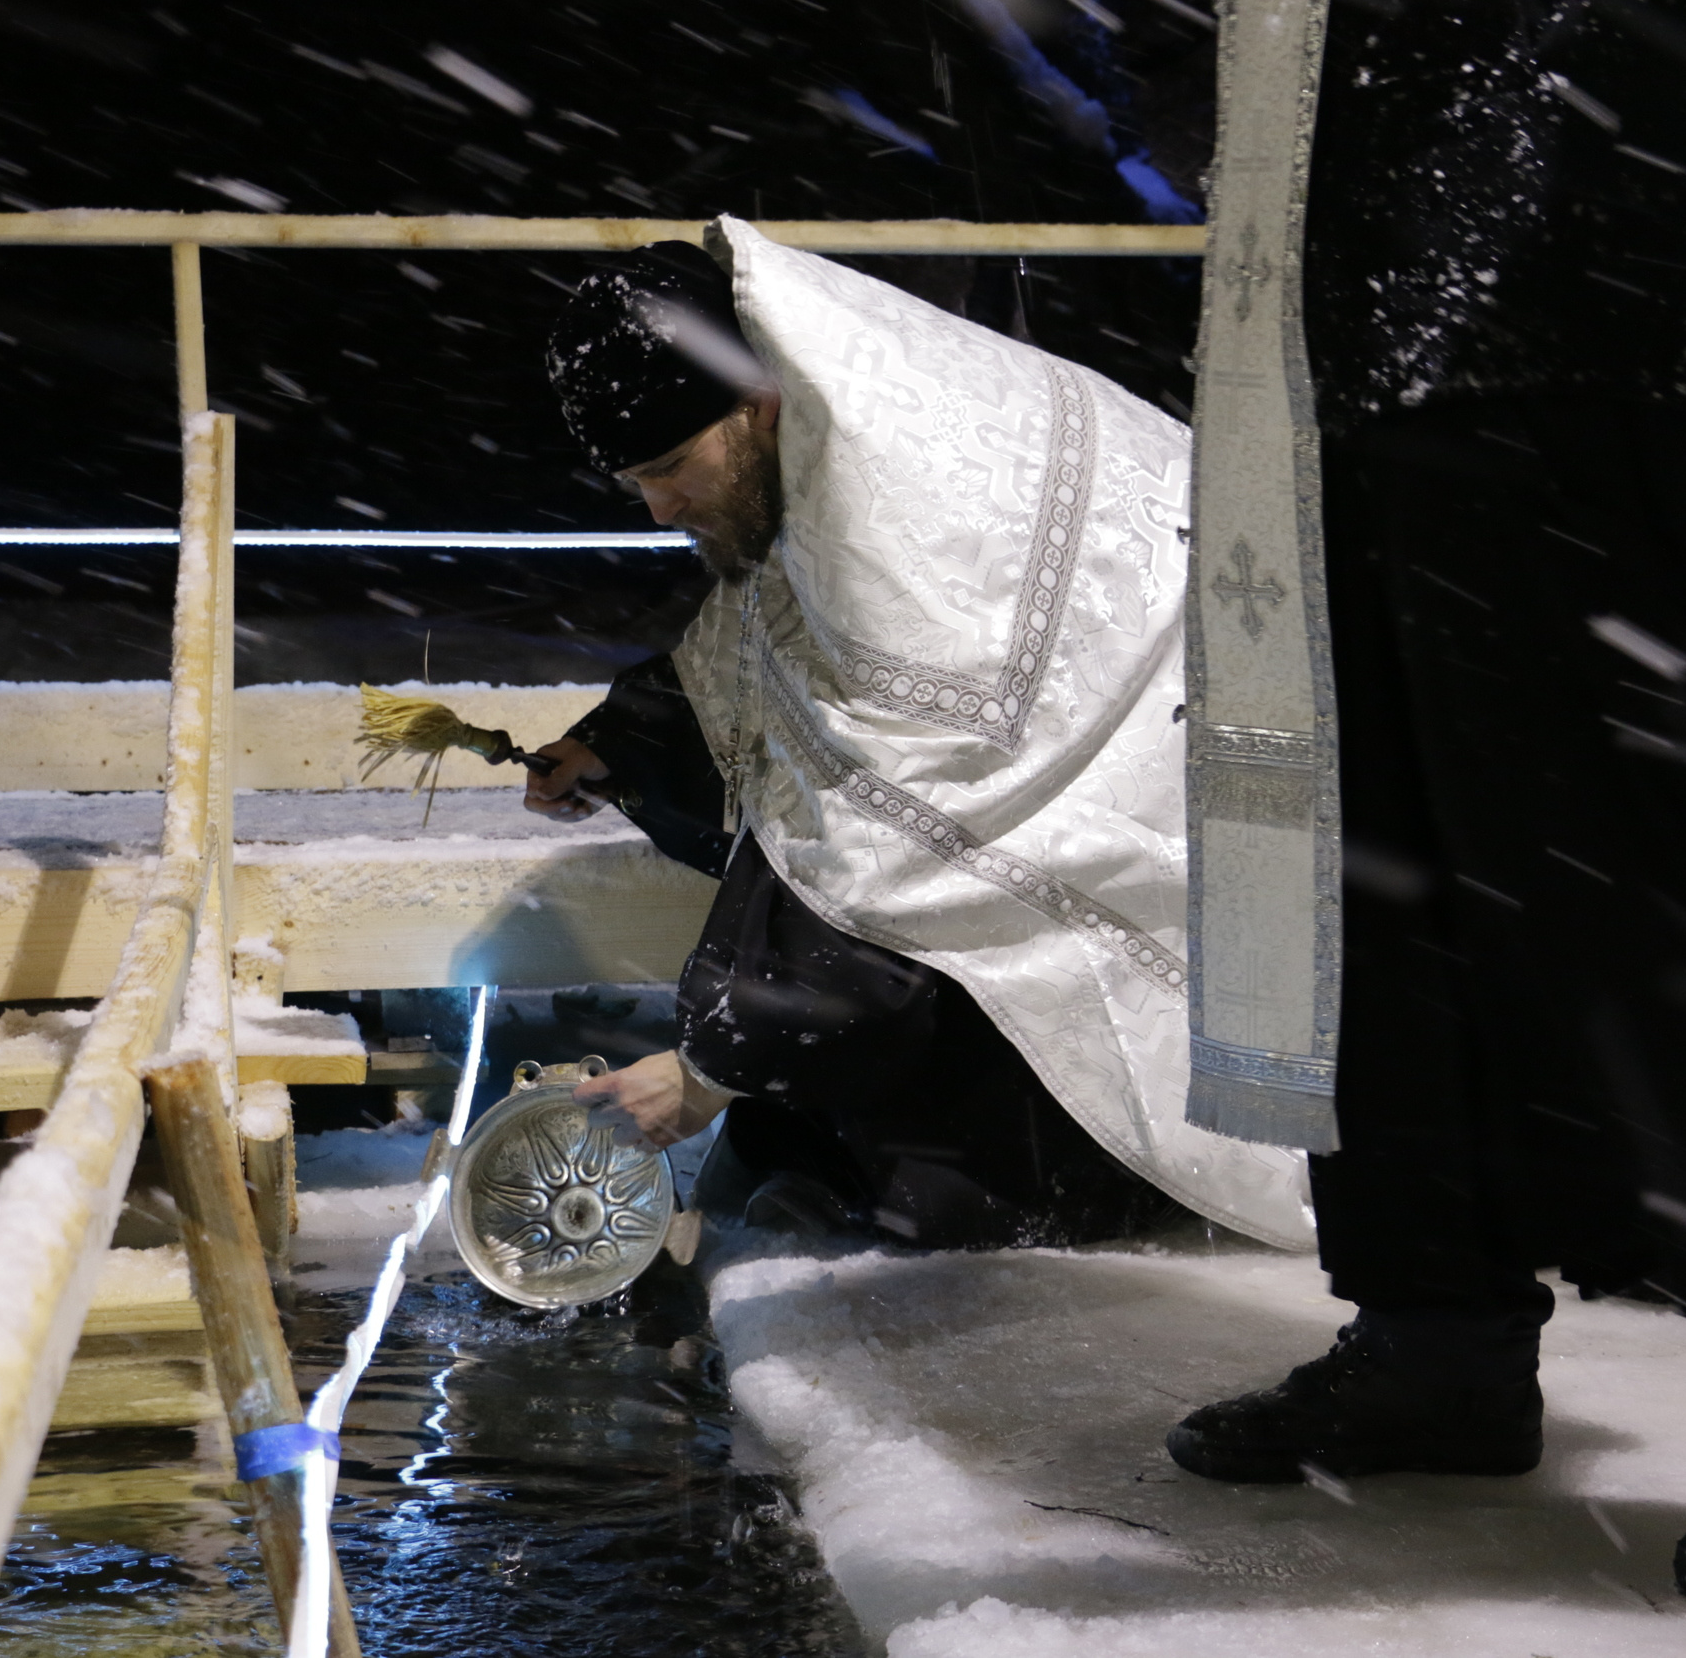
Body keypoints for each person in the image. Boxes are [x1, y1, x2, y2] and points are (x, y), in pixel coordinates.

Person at [1164, 0, 1686, 1610]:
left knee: (1590, 832)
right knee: (1388, 840)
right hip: (1374, 199)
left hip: (1552, 183)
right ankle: (1438, 1323)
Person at [521, 229, 1311, 1252]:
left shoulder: (910, 515)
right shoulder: (809, 425)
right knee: (854, 1105)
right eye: (636, 480)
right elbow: (777, 631)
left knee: (968, 1184)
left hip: (1195, 751)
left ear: (753, 402)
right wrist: (627, 739)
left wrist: (711, 1067)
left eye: (670, 466)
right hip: (1171, 697)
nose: (659, 506)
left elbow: (894, 835)